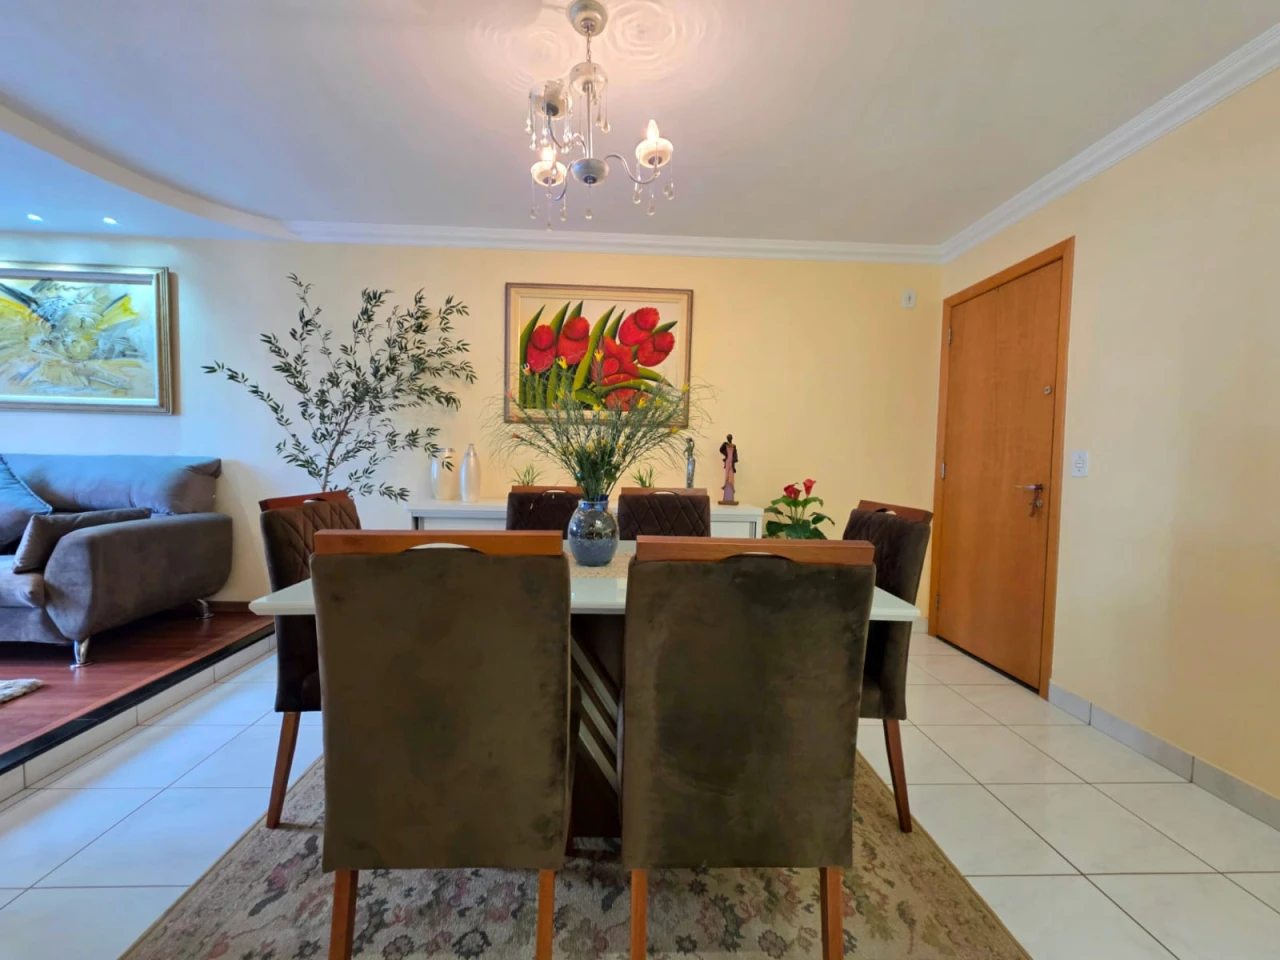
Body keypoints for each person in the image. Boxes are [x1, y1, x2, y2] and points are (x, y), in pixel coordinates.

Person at [719, 434, 738, 504]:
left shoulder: (734, 446)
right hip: (727, 462)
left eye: (730, 438)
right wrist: (723, 444)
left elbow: (735, 455)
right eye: (728, 438)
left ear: (731, 438)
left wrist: (734, 467)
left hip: (731, 462)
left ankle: (730, 497)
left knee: (731, 477)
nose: (729, 439)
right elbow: (721, 450)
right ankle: (726, 496)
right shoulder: (726, 445)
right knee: (726, 476)